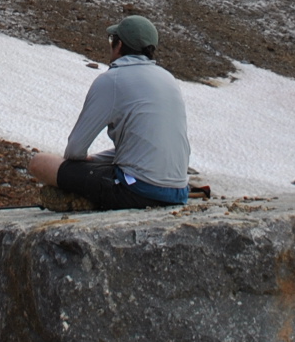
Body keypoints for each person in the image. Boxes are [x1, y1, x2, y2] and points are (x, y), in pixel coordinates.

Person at [29, 14, 190, 209]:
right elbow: (146, 145)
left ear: (119, 45)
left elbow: (74, 150)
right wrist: (97, 160)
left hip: (138, 190)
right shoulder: (168, 79)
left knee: (40, 162)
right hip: (178, 192)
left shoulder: (112, 80)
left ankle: (85, 202)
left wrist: (87, 162)